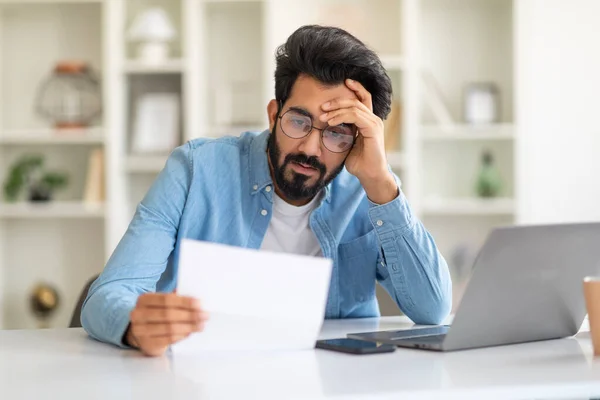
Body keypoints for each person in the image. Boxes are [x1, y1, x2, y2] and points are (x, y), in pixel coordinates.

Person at [81, 25, 452, 356]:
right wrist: (135, 327)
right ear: (274, 114)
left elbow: (433, 308)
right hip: (204, 377)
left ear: (357, 138)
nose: (310, 148)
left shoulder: (368, 188)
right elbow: (106, 297)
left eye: (337, 132)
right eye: (298, 121)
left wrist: (380, 183)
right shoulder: (195, 171)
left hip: (333, 384)